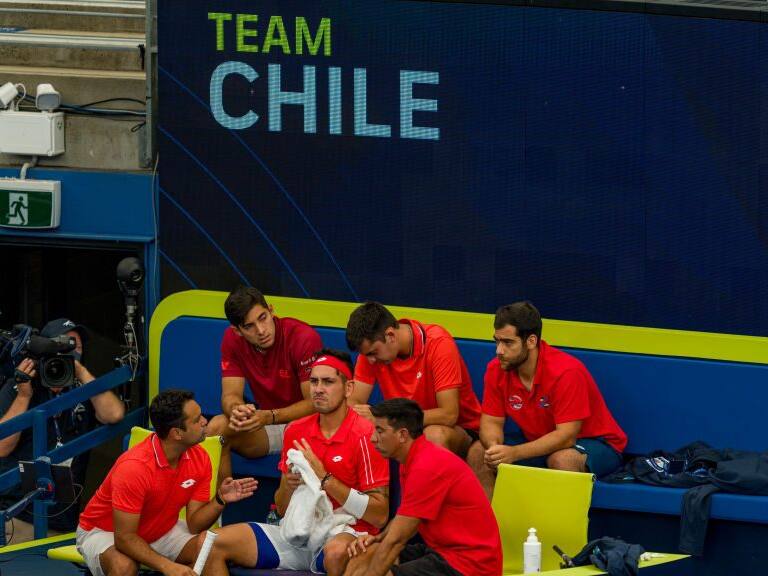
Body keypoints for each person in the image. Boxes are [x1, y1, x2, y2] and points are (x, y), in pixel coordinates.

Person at [201, 349, 390, 576]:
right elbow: (281, 508)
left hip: (345, 532)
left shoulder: (366, 434)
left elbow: (379, 514)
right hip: (297, 532)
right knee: (210, 543)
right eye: (314, 381)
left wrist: (325, 479)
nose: (318, 389)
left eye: (328, 382)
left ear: (349, 388)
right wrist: (288, 486)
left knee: (337, 554)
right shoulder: (296, 430)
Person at [76, 389, 257, 576]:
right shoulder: (134, 467)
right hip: (105, 532)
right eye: (196, 420)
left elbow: (195, 525)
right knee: (124, 566)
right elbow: (124, 538)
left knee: (211, 550)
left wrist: (220, 500)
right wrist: (167, 565)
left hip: (160, 529)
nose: (205, 421)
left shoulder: (200, 457)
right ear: (177, 433)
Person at [467, 302, 627, 500]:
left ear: (531, 341)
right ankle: (488, 527)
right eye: (497, 341)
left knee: (562, 460)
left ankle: (564, 529)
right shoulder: (497, 368)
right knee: (478, 452)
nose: (499, 350)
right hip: (538, 440)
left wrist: (515, 453)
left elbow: (566, 437)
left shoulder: (566, 372)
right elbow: (491, 422)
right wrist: (494, 449)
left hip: (596, 443)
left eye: (508, 343)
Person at [0, 318, 125, 542]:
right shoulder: (20, 385)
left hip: (65, 519)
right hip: (20, 517)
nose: (71, 350)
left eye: (76, 346)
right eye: (63, 344)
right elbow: (1, 447)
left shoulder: (83, 389)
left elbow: (114, 414)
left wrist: (81, 373)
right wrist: (24, 396)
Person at [345, 398, 502, 576]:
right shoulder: (409, 459)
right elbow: (402, 520)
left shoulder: (426, 467)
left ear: (403, 435)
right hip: (442, 551)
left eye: (380, 431)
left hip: (470, 565)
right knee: (365, 554)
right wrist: (377, 538)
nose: (373, 439)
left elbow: (397, 540)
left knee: (383, 569)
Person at [206, 286, 323, 475]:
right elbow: (230, 395)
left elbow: (315, 404)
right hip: (269, 422)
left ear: (271, 310)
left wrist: (270, 416)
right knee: (216, 428)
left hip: (309, 426)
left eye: (263, 318)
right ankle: (219, 501)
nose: (261, 330)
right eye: (249, 326)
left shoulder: (303, 338)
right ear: (237, 331)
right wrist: (237, 410)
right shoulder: (231, 340)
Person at [345, 301, 481, 457]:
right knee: (366, 430)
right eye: (366, 354)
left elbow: (449, 415)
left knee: (432, 436)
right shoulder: (371, 353)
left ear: (390, 335)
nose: (370, 360)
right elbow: (353, 401)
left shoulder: (438, 344)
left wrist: (386, 419)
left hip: (461, 431)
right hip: (406, 427)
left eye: (373, 353)